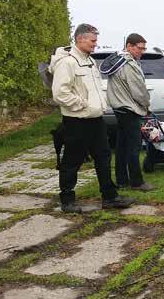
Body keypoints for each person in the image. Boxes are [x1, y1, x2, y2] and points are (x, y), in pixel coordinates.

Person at [51, 23, 134, 213]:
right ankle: (67, 200)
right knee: (72, 161)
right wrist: (83, 105)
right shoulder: (68, 62)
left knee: (103, 157)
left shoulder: (89, 61)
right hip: (77, 121)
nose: (95, 44)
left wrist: (98, 106)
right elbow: (60, 94)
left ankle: (109, 197)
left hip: (96, 120)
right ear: (80, 39)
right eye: (92, 40)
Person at [101, 33, 156, 191]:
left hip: (119, 108)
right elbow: (138, 91)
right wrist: (147, 106)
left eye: (144, 48)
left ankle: (121, 179)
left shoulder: (118, 60)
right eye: (140, 48)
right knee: (134, 146)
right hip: (129, 109)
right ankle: (137, 182)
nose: (142, 51)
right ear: (130, 46)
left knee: (122, 146)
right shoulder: (128, 64)